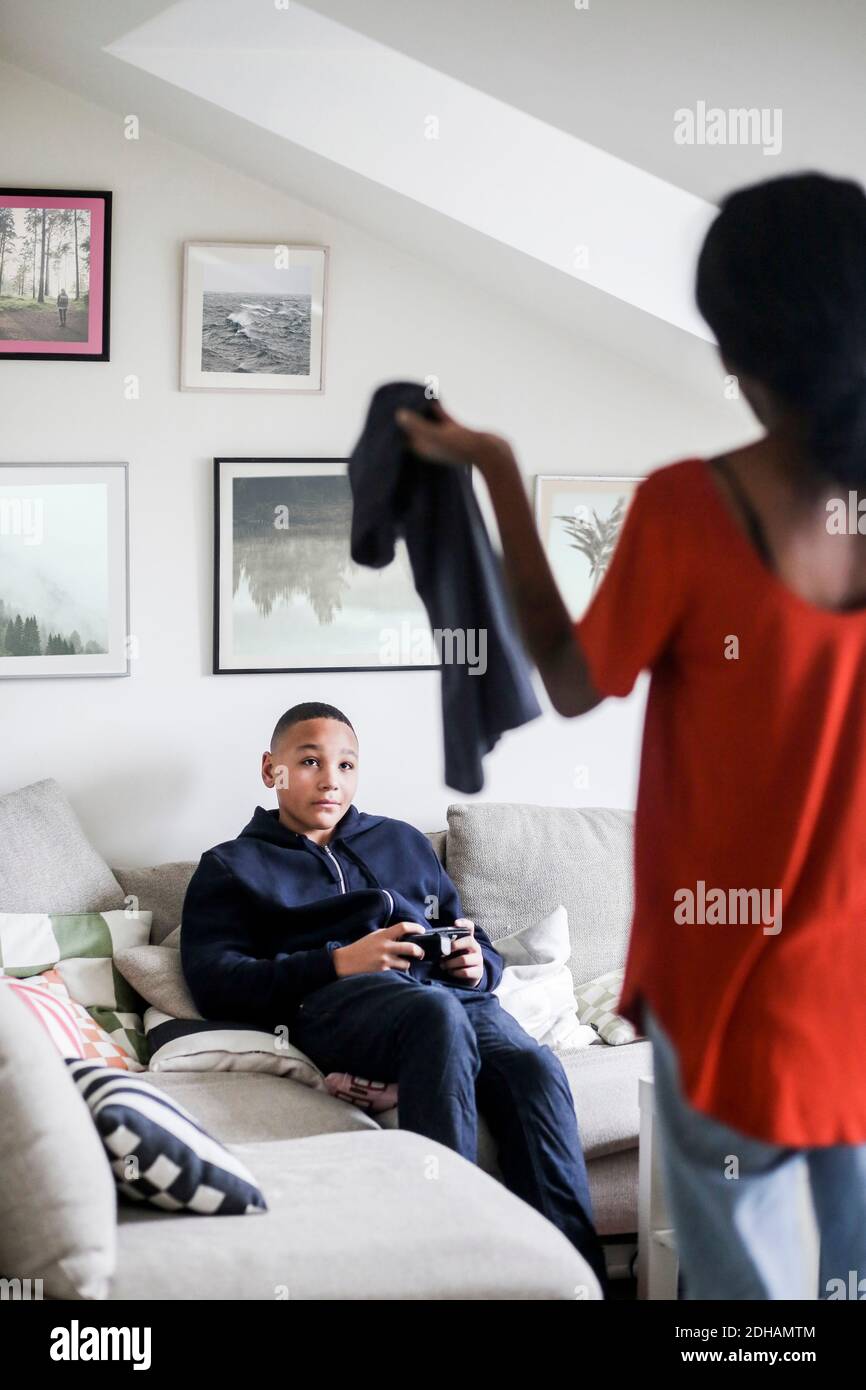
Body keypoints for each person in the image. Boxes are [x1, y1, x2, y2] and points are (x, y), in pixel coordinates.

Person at [395, 170, 866, 1301]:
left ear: (738, 344)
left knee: (739, 1304)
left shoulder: (691, 508)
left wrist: (498, 470)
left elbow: (569, 679)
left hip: (727, 990)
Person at [181, 700, 609, 1294]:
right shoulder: (232, 867)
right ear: (269, 769)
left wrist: (473, 963)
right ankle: (448, 1271)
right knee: (432, 1016)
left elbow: (471, 935)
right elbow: (214, 980)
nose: (331, 779)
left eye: (346, 765)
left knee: (535, 1066)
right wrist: (337, 962)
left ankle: (578, 1282)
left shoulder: (403, 844)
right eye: (309, 761)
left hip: (448, 997)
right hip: (337, 1003)